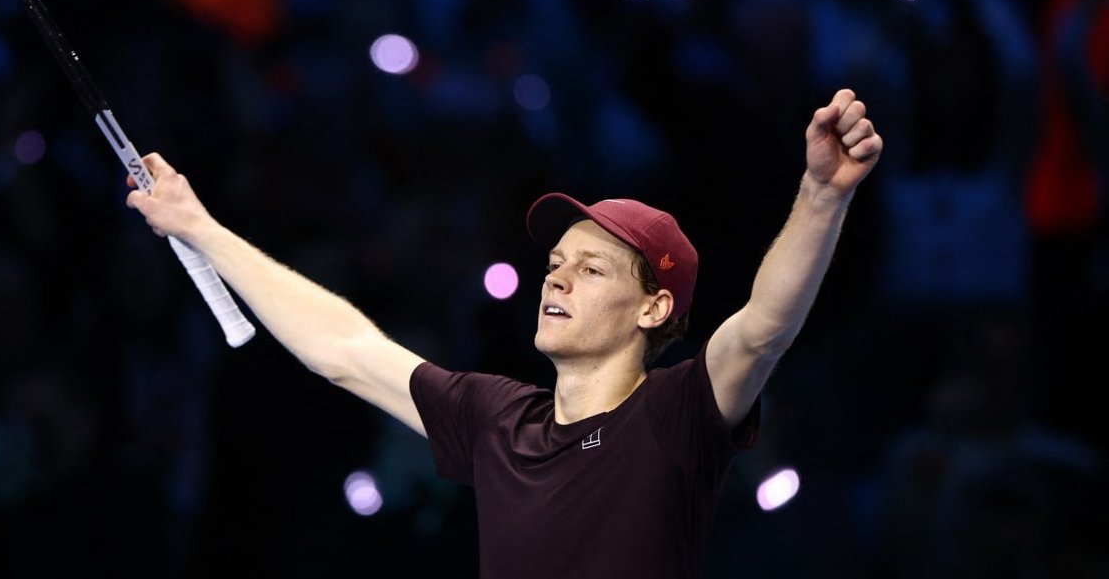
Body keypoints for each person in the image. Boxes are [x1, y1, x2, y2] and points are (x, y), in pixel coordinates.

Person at [125, 87, 882, 578]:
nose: (556, 279)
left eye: (591, 269)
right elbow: (344, 348)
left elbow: (762, 329)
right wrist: (202, 228)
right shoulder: (496, 418)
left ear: (653, 309)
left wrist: (821, 196)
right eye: (554, 265)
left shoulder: (676, 414)